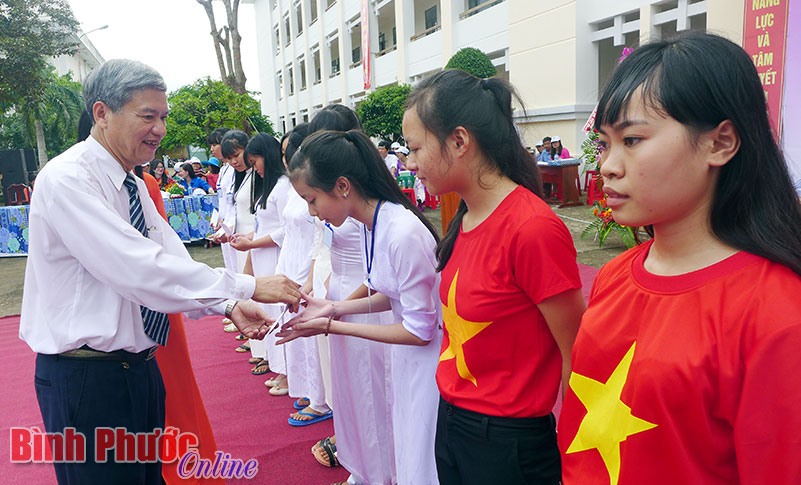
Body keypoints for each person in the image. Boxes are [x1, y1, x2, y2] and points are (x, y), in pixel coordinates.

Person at [19, 59, 302, 484]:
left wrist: (229, 304)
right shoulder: (66, 179)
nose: (160, 129)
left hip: (139, 367)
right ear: (102, 113)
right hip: (86, 378)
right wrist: (251, 285)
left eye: (164, 117)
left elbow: (166, 248)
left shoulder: (130, 180)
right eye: (147, 116)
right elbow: (136, 267)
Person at [557, 32, 801, 485]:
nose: (607, 165)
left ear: (720, 143)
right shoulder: (613, 276)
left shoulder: (777, 313)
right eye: (604, 144)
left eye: (631, 140)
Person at [402, 70, 584, 484]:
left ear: (460, 141)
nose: (410, 163)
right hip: (452, 423)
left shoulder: (531, 228)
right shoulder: (464, 217)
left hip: (507, 444)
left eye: (415, 149)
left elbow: (578, 350)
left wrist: (577, 450)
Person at [279, 129, 443, 484]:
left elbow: (419, 329)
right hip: (407, 359)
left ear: (342, 186)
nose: (312, 212)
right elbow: (388, 290)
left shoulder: (401, 231)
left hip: (425, 362)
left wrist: (332, 323)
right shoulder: (373, 222)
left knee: (419, 456)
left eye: (311, 200)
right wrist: (334, 308)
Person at [230, 133, 289, 376]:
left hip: (275, 257)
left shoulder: (284, 186)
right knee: (269, 312)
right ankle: (277, 366)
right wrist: (249, 240)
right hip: (263, 257)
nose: (254, 169)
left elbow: (286, 230)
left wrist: (253, 244)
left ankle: (286, 370)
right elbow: (265, 227)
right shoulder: (269, 186)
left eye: (255, 162)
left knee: (278, 314)